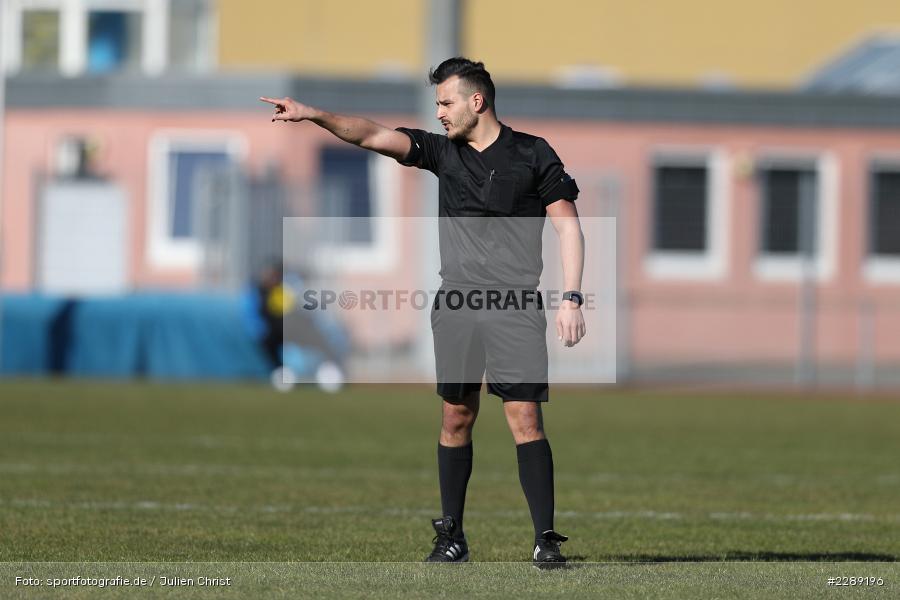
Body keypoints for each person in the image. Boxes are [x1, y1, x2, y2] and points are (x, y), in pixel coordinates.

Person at [261, 57, 585, 568]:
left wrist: (571, 298)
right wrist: (313, 114)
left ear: (476, 101)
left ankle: (545, 538)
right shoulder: (441, 151)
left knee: (525, 416)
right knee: (455, 416)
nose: (439, 113)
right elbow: (371, 136)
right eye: (436, 103)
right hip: (456, 302)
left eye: (445, 102)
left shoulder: (533, 153)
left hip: (515, 305)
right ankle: (451, 536)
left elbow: (568, 226)